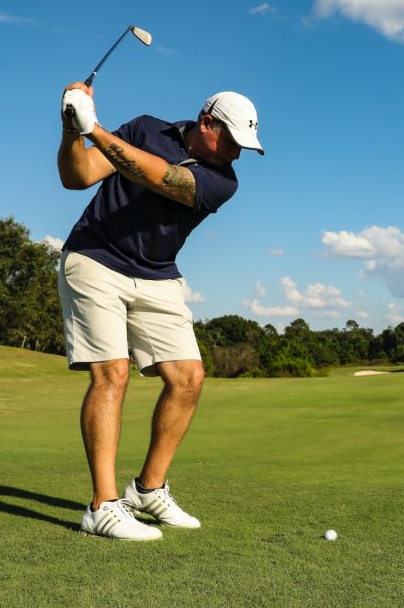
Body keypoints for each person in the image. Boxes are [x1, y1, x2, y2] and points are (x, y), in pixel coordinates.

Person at [56, 82, 264, 540]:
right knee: (112, 373)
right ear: (206, 123)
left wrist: (95, 130)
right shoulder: (146, 128)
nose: (236, 153)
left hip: (156, 274)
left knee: (188, 377)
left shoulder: (224, 181)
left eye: (243, 147)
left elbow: (162, 178)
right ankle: (103, 506)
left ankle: (148, 490)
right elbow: (78, 176)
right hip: (94, 258)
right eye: (231, 141)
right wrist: (72, 130)